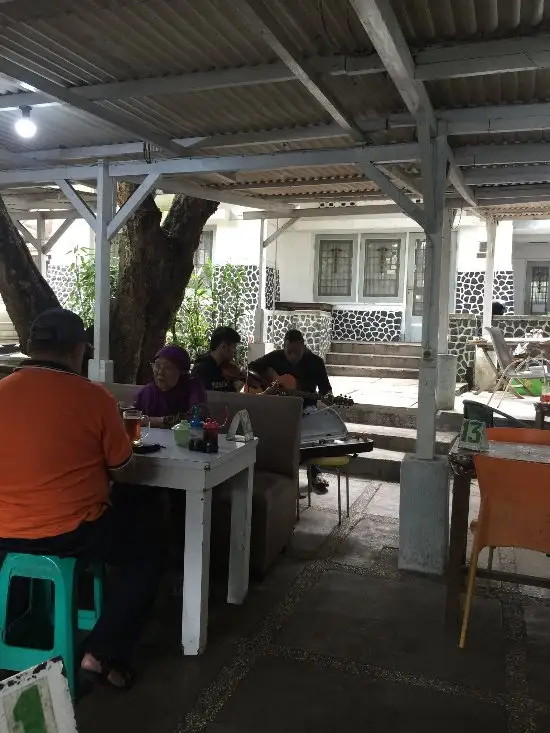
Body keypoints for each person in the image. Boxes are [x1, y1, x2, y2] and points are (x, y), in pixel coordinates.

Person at [0, 307, 160, 690]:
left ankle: (18, 625)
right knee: (150, 543)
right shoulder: (95, 398)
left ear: (31, 347)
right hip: (71, 532)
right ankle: (102, 652)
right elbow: (123, 470)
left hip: (5, 531)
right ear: (78, 351)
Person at [249, 329, 333, 493]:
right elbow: (251, 368)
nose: (292, 356)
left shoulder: (315, 362)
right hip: (279, 407)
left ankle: (314, 473)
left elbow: (326, 390)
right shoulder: (275, 357)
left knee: (309, 427)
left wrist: (328, 396)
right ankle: (282, 477)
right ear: (284, 347)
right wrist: (269, 379)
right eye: (289, 352)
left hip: (306, 406)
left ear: (303, 346)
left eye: (297, 352)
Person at [135, 344, 206, 426]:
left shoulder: (193, 387)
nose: (160, 372)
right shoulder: (147, 392)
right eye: (157, 366)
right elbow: (133, 417)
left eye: (168, 368)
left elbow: (199, 417)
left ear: (182, 372)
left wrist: (157, 421)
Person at [191, 326, 242, 391]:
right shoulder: (201, 369)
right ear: (223, 346)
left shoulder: (226, 367)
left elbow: (231, 393)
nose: (235, 351)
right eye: (234, 347)